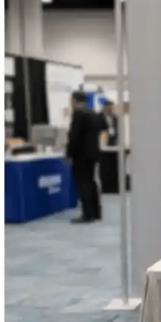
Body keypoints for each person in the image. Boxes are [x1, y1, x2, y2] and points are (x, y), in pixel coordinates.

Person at [66, 91, 103, 223]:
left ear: (75, 100)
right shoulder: (93, 113)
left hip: (81, 155)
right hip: (93, 154)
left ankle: (87, 214)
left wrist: (69, 153)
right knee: (91, 182)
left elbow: (74, 137)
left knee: (83, 184)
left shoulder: (78, 115)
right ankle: (96, 212)